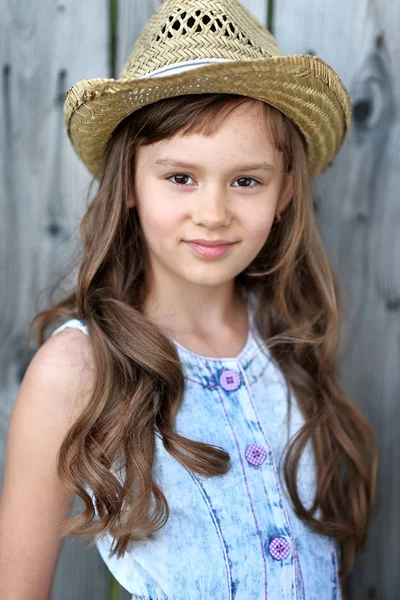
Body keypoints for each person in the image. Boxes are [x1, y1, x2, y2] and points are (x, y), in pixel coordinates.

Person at [0, 0, 377, 598]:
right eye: (180, 177)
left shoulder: (287, 340)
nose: (213, 213)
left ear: (284, 193)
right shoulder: (78, 370)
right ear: (128, 185)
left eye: (246, 180)